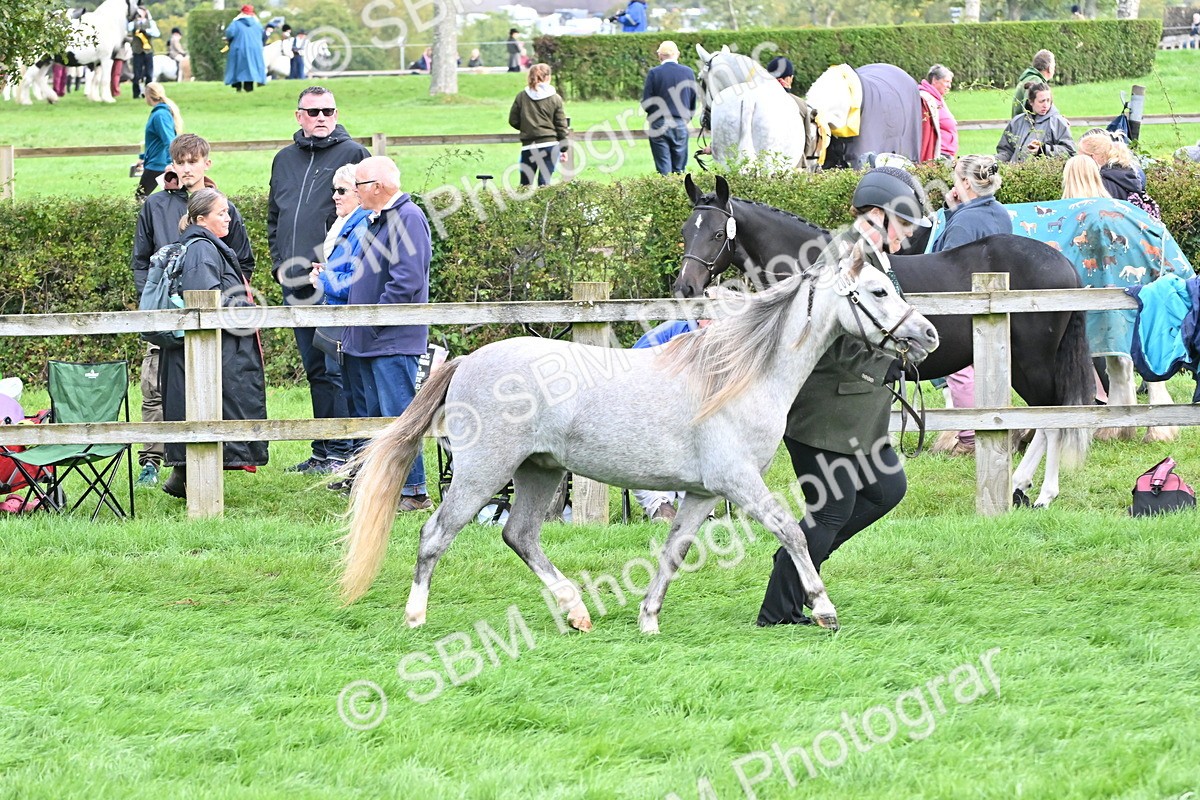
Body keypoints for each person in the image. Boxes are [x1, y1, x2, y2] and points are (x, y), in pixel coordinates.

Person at [757, 166, 928, 627]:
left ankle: (797, 559)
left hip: (860, 412)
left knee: (887, 489)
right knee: (832, 508)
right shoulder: (841, 256)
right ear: (878, 215)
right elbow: (824, 332)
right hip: (825, 410)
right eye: (905, 224)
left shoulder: (871, 255)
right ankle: (779, 609)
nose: (909, 235)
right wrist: (886, 351)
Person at [130, 134, 256, 487]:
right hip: (166, 315)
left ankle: (206, 461)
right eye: (180, 162)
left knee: (208, 384)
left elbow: (242, 261)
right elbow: (140, 260)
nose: (186, 168)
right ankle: (153, 458)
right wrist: (156, 297)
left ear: (206, 163)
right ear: (172, 165)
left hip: (211, 314)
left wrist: (226, 304)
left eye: (193, 161)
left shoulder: (221, 206)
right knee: (156, 384)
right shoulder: (155, 207)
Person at [268, 86, 370, 475]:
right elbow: (275, 215)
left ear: (336, 111)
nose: (321, 117)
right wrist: (280, 263)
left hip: (334, 281)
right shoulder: (284, 159)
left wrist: (337, 271)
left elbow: (367, 216)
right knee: (314, 367)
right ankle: (324, 448)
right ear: (299, 116)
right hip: (294, 281)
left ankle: (344, 449)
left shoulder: (354, 155)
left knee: (336, 366)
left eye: (328, 110)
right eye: (313, 112)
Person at [159, 189, 268, 499]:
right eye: (222, 213)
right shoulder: (202, 250)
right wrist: (250, 311)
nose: (229, 217)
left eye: (228, 212)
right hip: (206, 352)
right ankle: (197, 491)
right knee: (206, 413)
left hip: (207, 350)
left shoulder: (204, 246)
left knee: (203, 413)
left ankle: (185, 478)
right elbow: (208, 302)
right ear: (200, 219)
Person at [341, 156, 433, 511]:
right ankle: (387, 489)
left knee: (398, 418)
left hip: (391, 340)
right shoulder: (380, 219)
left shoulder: (408, 218)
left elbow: (407, 280)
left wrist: (373, 321)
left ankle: (413, 492)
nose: (355, 192)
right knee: (378, 418)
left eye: (359, 185)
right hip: (370, 340)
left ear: (377, 187)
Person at [928, 155, 1009, 456]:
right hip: (997, 299)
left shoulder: (964, 222)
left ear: (965, 183)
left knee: (960, 369)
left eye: (955, 180)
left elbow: (946, 266)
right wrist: (954, 211)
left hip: (965, 302)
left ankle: (970, 438)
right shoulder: (999, 212)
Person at [629, 317, 713, 520]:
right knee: (638, 446)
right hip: (652, 410)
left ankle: (701, 512)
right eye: (709, 316)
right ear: (700, 317)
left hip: (697, 416)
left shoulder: (727, 340)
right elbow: (629, 369)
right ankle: (660, 506)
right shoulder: (670, 332)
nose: (714, 322)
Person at [508, 63, 569, 187]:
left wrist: (528, 128)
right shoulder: (555, 98)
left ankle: (523, 206)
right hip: (549, 145)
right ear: (547, 77)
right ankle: (543, 206)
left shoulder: (521, 97)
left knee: (525, 185)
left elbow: (513, 120)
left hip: (529, 146)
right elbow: (561, 125)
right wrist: (564, 148)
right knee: (544, 184)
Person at [642, 41, 696, 176]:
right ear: (677, 54)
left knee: (663, 169)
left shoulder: (654, 73)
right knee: (679, 169)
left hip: (659, 123)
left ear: (660, 56)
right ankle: (679, 193)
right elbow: (693, 99)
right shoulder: (688, 72)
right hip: (680, 123)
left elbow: (646, 102)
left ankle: (666, 193)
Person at [996, 82, 1075, 163]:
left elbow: (1069, 151)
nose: (1046, 105)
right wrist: (992, 160)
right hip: (1015, 173)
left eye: (1048, 100)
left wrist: (1043, 150)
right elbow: (1006, 151)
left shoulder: (1058, 122)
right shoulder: (1017, 121)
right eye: (1042, 101)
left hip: (1044, 174)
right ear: (1031, 102)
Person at [134, 83, 182, 201]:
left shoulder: (160, 115)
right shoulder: (160, 113)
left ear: (148, 96)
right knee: (174, 198)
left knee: (140, 198)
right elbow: (153, 141)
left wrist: (170, 164)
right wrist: (143, 157)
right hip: (157, 162)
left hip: (159, 165)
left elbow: (169, 140)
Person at [919, 64, 957, 161]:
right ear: (935, 80)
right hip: (937, 155)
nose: (949, 86)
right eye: (947, 82)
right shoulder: (926, 99)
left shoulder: (938, 98)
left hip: (946, 154)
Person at [224, 5, 267, 92]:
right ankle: (249, 88)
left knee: (236, 68)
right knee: (251, 68)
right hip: (255, 50)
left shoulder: (236, 23)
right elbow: (263, 35)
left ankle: (238, 87)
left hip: (238, 48)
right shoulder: (257, 24)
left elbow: (229, 33)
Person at [127, 3, 159, 100]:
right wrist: (136, 20)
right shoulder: (133, 23)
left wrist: (147, 31)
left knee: (149, 74)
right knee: (137, 74)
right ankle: (136, 94)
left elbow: (157, 33)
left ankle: (149, 93)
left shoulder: (151, 23)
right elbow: (129, 28)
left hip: (148, 51)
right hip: (137, 51)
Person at [1011, 49, 1054, 118]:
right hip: (1028, 127)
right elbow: (1030, 109)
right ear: (1050, 68)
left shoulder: (1027, 78)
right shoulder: (1036, 81)